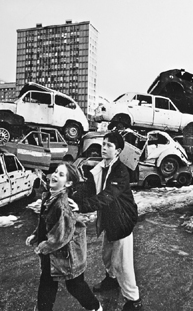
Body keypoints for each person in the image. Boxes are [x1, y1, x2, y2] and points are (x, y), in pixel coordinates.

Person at [72, 131, 143, 311]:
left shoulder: (120, 171)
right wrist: (71, 195)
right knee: (107, 254)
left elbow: (106, 196)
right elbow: (88, 188)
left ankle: (133, 300)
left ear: (118, 151)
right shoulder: (100, 167)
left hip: (122, 221)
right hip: (109, 220)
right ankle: (111, 280)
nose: (104, 148)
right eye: (103, 144)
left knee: (123, 262)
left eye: (109, 145)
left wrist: (81, 207)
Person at [26, 162, 102, 311]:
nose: (54, 175)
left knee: (75, 285)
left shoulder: (62, 205)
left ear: (68, 183)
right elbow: (45, 222)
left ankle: (95, 308)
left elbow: (62, 235)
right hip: (54, 252)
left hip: (68, 255)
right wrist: (36, 235)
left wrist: (43, 247)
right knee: (47, 283)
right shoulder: (49, 196)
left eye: (61, 175)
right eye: (55, 172)